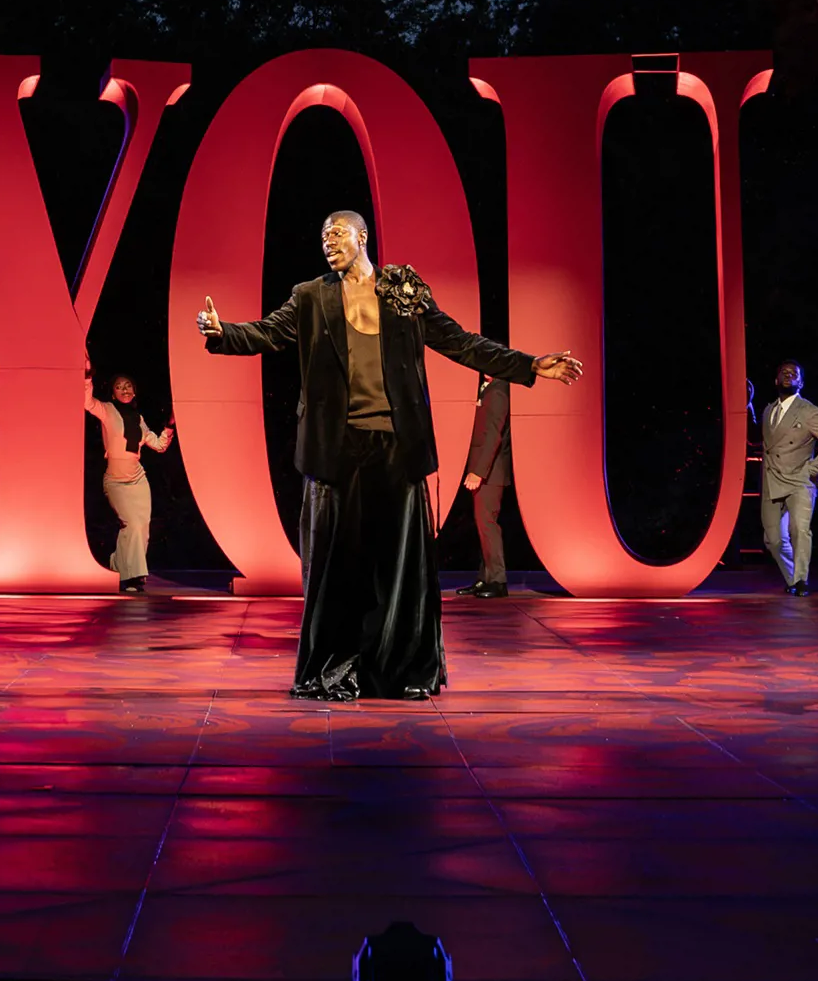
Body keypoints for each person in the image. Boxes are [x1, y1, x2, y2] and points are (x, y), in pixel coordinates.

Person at [197, 209, 581, 700]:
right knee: (339, 567)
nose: (327, 241)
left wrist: (528, 365)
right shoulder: (311, 297)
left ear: (361, 236)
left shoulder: (404, 293)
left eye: (335, 232)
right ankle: (335, 670)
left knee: (399, 567)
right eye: (322, 236)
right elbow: (267, 333)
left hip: (398, 448)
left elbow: (461, 343)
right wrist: (219, 330)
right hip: (337, 452)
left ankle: (399, 671)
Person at [750, 360, 818, 595]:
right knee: (773, 540)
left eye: (794, 374)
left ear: (801, 382)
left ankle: (801, 580)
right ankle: (793, 579)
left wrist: (812, 469)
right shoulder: (769, 410)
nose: (788, 375)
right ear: (776, 380)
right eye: (784, 372)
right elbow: (759, 439)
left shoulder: (808, 411)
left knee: (799, 530)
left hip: (799, 481)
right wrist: (748, 405)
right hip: (772, 481)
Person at [86, 372, 176, 591]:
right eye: (119, 387)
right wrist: (87, 379)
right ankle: (132, 575)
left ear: (134, 392)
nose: (124, 389)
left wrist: (170, 425)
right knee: (132, 525)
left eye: (128, 386)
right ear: (113, 394)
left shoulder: (139, 418)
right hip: (116, 480)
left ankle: (121, 568)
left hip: (138, 479)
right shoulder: (107, 409)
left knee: (141, 528)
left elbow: (159, 445)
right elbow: (87, 402)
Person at [458, 368, 514, 598]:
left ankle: (497, 581)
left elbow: (493, 435)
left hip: (490, 471)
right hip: (484, 468)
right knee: (482, 523)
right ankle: (485, 578)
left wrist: (478, 472)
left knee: (487, 523)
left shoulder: (499, 390)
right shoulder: (490, 388)